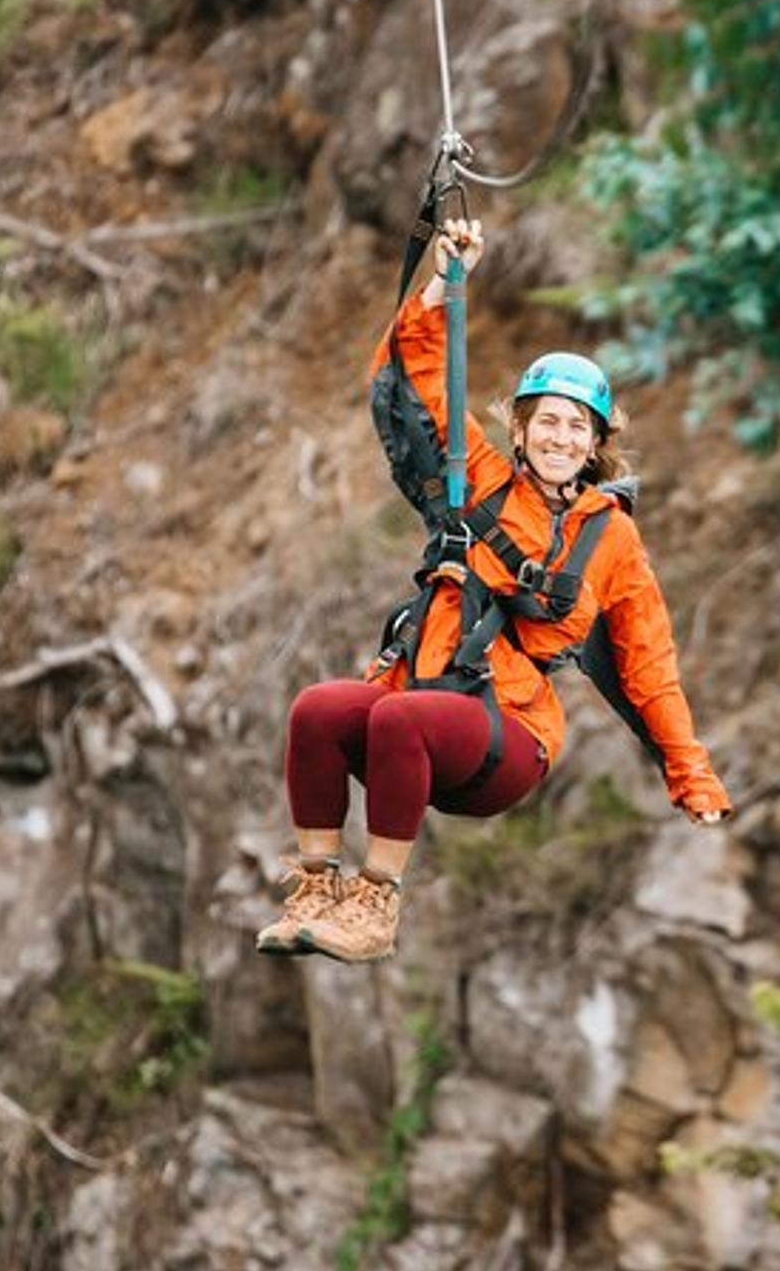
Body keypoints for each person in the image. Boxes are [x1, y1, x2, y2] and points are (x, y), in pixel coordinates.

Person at [257, 218, 732, 963]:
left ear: (595, 445)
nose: (561, 437)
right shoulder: (475, 480)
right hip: (424, 701)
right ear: (521, 429)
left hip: (507, 735)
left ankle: (375, 906)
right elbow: (410, 380)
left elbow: (649, 662)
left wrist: (689, 771)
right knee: (319, 709)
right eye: (548, 422)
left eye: (577, 427)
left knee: (399, 718)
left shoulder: (611, 540)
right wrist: (445, 282)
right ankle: (316, 890)